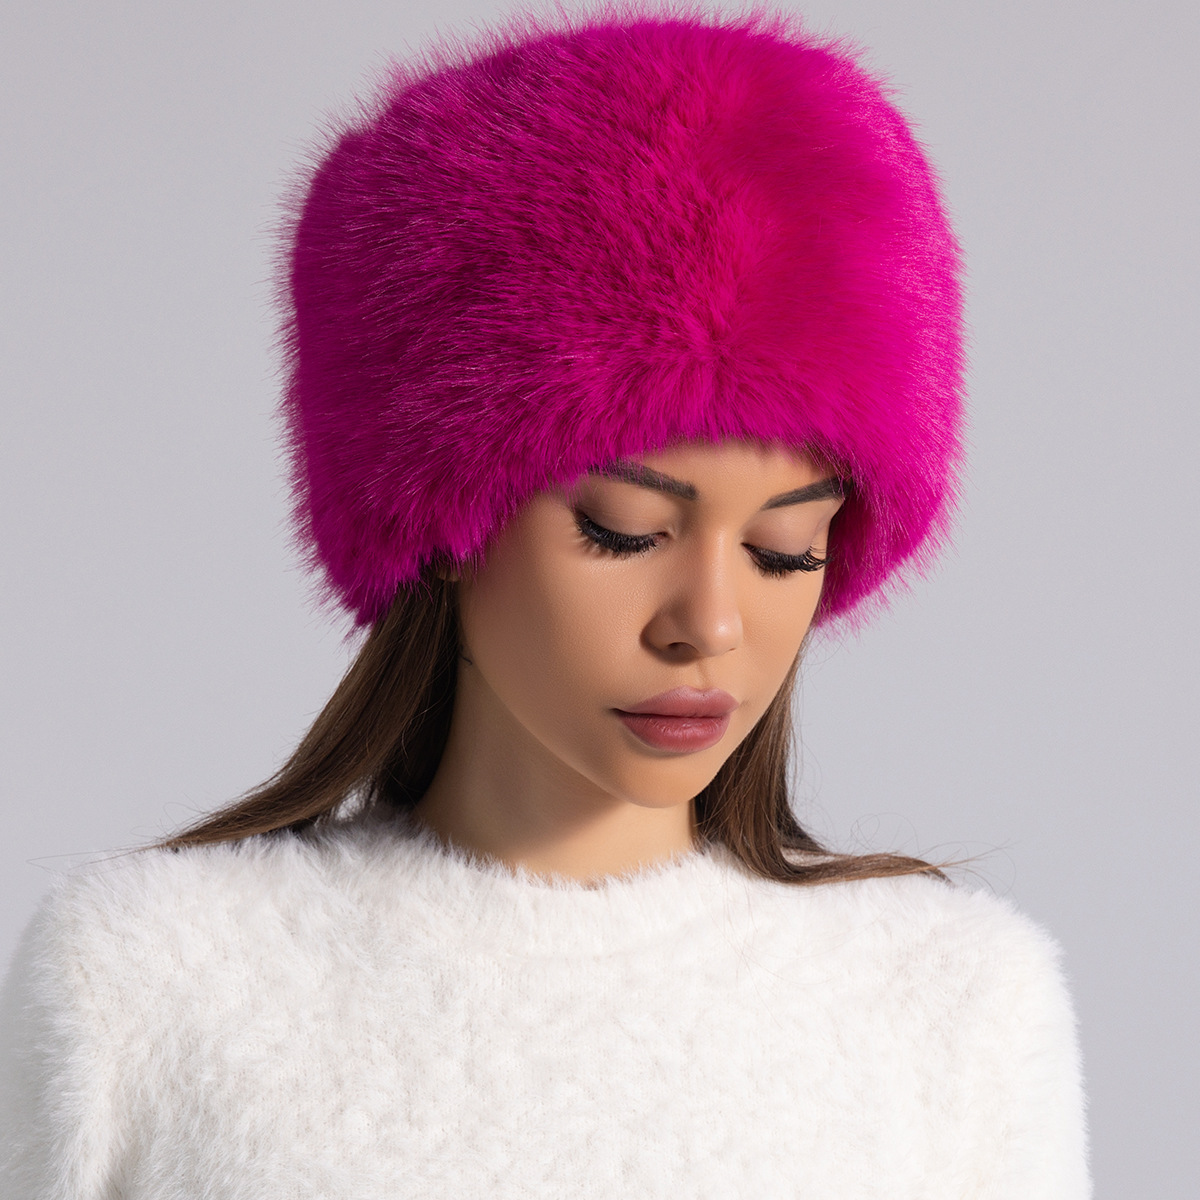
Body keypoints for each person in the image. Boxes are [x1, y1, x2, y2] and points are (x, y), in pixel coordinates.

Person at [0, 4, 1091, 1196]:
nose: (710, 625)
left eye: (786, 548)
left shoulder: (955, 1008)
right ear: (443, 523)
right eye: (623, 531)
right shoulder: (146, 984)